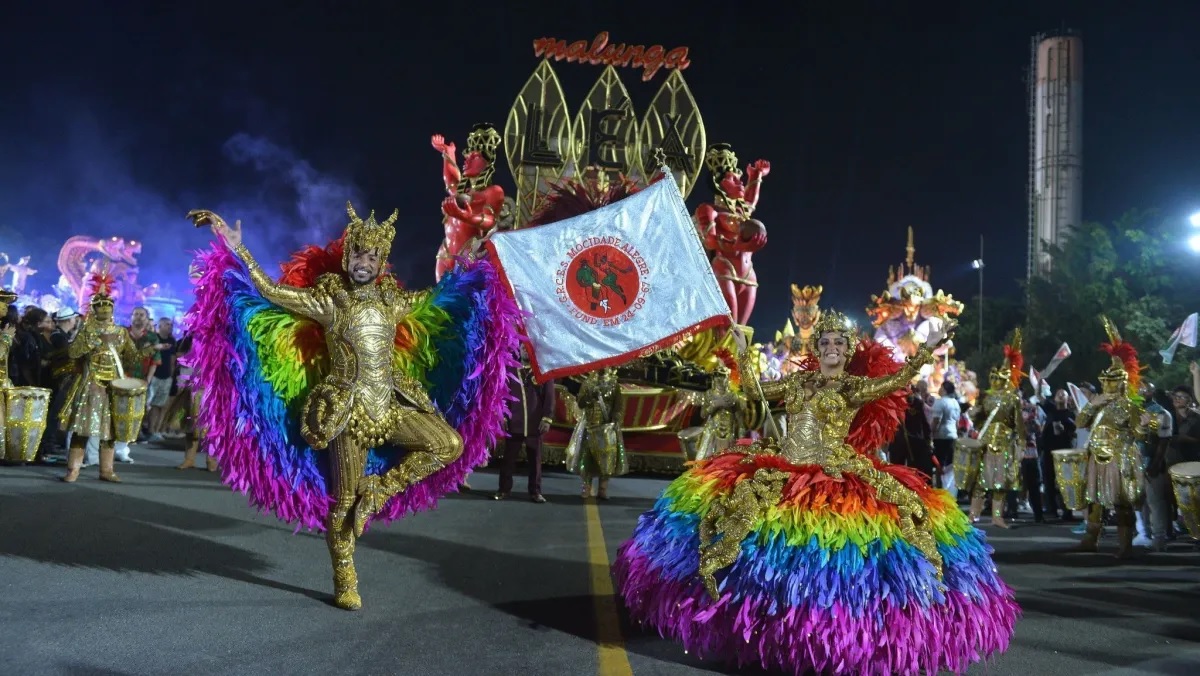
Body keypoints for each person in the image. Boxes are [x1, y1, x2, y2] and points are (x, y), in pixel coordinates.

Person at [613, 311, 1017, 675]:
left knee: (830, 560)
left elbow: (894, 382)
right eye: (824, 343)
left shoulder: (853, 388)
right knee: (746, 540)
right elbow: (756, 393)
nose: (831, 349)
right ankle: (757, 631)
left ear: (848, 350)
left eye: (839, 344)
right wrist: (740, 353)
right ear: (817, 348)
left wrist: (926, 349)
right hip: (782, 469)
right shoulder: (797, 381)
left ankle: (823, 641)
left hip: (832, 474)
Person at [187, 204, 519, 610]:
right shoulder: (331, 301)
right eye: (359, 254)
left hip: (391, 408)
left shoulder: (393, 302)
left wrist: (470, 259)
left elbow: (439, 294)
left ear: (382, 263)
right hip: (346, 414)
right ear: (348, 258)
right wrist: (240, 251)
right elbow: (271, 293)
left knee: (447, 444)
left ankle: (379, 490)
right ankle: (345, 576)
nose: (365, 262)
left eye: (373, 257)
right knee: (344, 505)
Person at [59, 273, 164, 483]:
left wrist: (150, 349)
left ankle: (106, 470)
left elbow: (132, 356)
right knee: (82, 429)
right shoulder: (87, 330)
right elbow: (73, 353)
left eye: (108, 307)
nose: (105, 310)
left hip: (113, 387)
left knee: (110, 431)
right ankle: (73, 470)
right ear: (95, 310)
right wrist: (91, 342)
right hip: (90, 384)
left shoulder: (120, 332)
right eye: (101, 307)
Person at [1068, 317, 1156, 558]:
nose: (1107, 384)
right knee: (1094, 500)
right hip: (1096, 456)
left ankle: (1125, 546)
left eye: (1112, 380)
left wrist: (1146, 426)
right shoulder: (1098, 402)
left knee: (1121, 502)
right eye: (1105, 380)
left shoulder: (1130, 406)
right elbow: (1080, 423)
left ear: (1122, 382)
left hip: (1120, 458)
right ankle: (1090, 540)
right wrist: (1092, 405)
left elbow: (1139, 434)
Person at [967, 332, 1025, 528]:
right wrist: (974, 413)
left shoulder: (1012, 398)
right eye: (993, 377)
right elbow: (979, 419)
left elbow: (1018, 424)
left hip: (1005, 441)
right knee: (981, 479)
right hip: (986, 441)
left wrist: (1021, 444)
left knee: (1000, 482)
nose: (995, 381)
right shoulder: (986, 396)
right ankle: (973, 515)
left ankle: (997, 517)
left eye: (998, 378)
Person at [494, 345, 554, 503]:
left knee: (535, 460)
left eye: (528, 349)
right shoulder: (510, 370)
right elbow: (502, 394)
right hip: (515, 422)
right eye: (523, 348)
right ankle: (503, 490)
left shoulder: (542, 371)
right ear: (519, 350)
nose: (525, 351)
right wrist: (504, 417)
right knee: (508, 459)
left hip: (535, 423)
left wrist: (547, 418)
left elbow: (549, 396)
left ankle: (535, 491)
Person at [565, 367, 626, 499]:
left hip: (607, 427)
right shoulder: (588, 383)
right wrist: (589, 397)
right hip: (589, 425)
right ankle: (586, 487)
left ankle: (603, 489)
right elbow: (580, 403)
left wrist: (616, 418)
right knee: (586, 458)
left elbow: (619, 405)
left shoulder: (614, 384)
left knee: (607, 458)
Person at [930, 379, 960, 493]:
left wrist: (931, 433)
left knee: (939, 464)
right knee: (950, 464)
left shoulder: (940, 402)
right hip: (952, 435)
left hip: (941, 436)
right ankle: (951, 488)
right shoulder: (955, 402)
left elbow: (936, 421)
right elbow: (957, 422)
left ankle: (940, 489)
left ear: (944, 389)